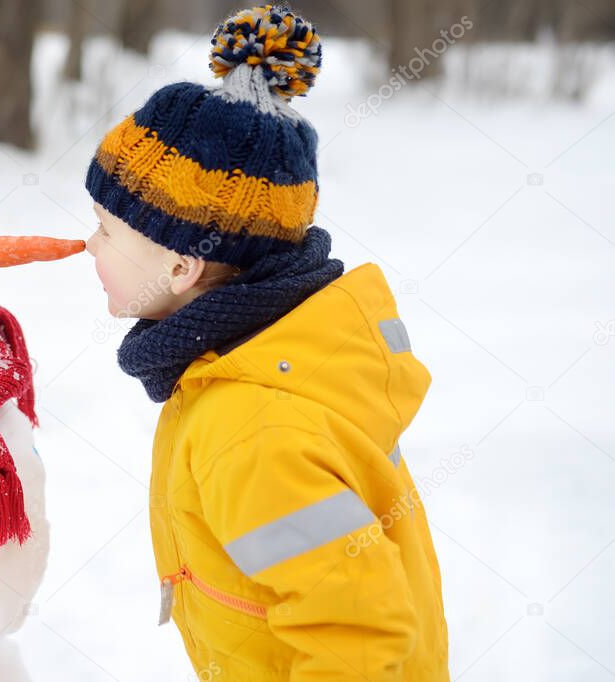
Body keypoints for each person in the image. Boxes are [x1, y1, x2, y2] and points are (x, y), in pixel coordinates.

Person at [83, 5, 449, 680]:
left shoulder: (252, 426)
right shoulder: (253, 359)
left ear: (180, 264)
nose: (88, 245)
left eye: (107, 229)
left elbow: (360, 635)